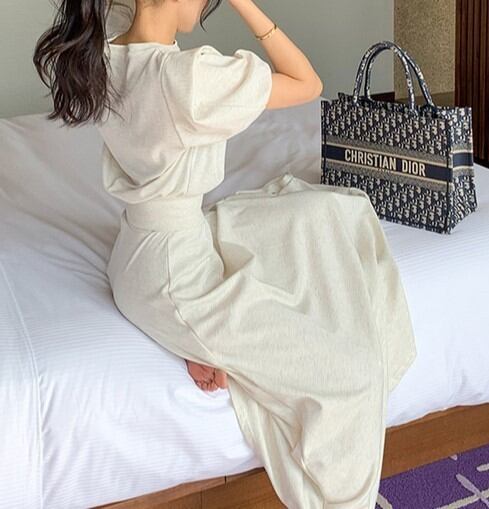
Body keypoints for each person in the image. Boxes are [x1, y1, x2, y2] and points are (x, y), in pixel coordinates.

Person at [33, 1, 417, 507]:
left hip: (141, 253)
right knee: (352, 378)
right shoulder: (189, 78)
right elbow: (307, 83)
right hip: (177, 277)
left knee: (326, 213)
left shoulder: (108, 47)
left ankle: (210, 339)